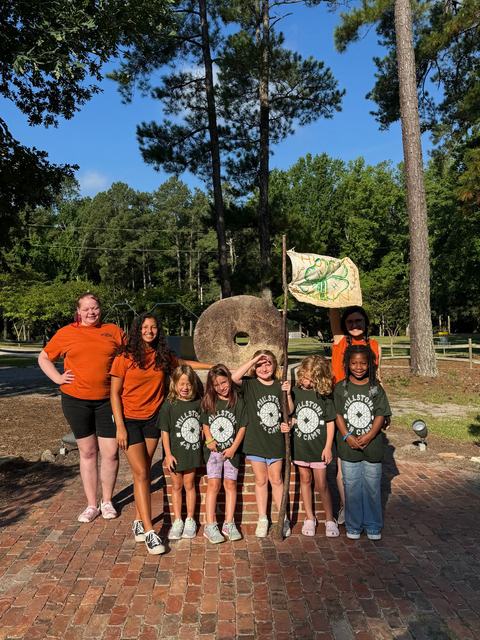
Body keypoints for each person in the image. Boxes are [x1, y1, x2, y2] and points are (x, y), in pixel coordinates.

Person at [38, 293, 124, 523]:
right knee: (87, 452)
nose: (91, 312)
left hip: (108, 401)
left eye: (95, 307)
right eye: (86, 309)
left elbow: (130, 357)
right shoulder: (66, 333)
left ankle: (107, 502)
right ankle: (91, 505)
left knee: (111, 452)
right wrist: (57, 378)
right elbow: (44, 357)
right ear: (78, 311)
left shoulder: (113, 331)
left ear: (100, 308)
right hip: (76, 401)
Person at [110, 313, 178, 555]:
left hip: (153, 420)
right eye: (145, 327)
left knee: (145, 472)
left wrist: (218, 367)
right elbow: (114, 394)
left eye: (154, 327)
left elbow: (187, 366)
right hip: (129, 420)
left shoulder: (162, 357)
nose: (150, 331)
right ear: (137, 330)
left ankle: (139, 520)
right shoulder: (124, 357)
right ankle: (150, 532)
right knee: (140, 472)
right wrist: (119, 427)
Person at [329, 306, 381, 525]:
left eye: (359, 321)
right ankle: (346, 506)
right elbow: (333, 313)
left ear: (366, 322)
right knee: (344, 463)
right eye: (350, 322)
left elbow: (378, 375)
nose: (355, 325)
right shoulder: (340, 341)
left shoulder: (374, 345)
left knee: (367, 466)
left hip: (366, 404)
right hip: (343, 403)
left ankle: (365, 512)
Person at [232, 350, 293, 538]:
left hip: (275, 441)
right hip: (256, 440)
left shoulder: (279, 385)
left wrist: (288, 394)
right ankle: (262, 518)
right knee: (260, 480)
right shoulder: (250, 385)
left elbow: (288, 410)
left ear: (275, 366)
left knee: (277, 480)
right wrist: (254, 359)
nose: (264, 368)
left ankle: (283, 518)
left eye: (268, 363)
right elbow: (233, 377)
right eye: (260, 364)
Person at [333, 344, 391, 540]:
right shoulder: (341, 388)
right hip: (348, 447)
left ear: (370, 365)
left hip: (372, 447)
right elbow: (338, 414)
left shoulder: (376, 389)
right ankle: (354, 525)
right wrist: (347, 436)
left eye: (363, 363)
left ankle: (373, 525)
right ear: (347, 364)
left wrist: (369, 436)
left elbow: (381, 414)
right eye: (354, 363)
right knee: (352, 487)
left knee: (372, 486)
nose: (359, 367)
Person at [290, 355, 339, 537]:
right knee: (305, 479)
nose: (305, 381)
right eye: (304, 377)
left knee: (322, 484)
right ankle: (310, 517)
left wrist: (328, 447)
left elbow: (330, 422)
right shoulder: (295, 392)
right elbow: (291, 413)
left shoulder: (324, 395)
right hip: (300, 445)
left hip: (318, 447)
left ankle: (329, 518)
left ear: (319, 378)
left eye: (310, 379)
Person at [200, 364, 247, 544]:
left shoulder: (237, 401)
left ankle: (229, 523)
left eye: (224, 382)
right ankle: (210, 524)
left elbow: (242, 426)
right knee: (213, 485)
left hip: (232, 451)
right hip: (213, 453)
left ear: (229, 379)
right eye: (217, 384)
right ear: (212, 386)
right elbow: (205, 423)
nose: (222, 387)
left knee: (230, 484)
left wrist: (235, 447)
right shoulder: (208, 401)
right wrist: (209, 439)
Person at [158, 364, 203, 541]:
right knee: (176, 486)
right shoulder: (169, 405)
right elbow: (165, 431)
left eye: (188, 384)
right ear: (174, 384)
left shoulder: (198, 403)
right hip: (175, 454)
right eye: (181, 384)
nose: (185, 388)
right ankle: (178, 520)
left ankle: (190, 519)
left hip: (191, 452)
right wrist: (168, 454)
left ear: (193, 385)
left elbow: (202, 427)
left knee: (190, 484)